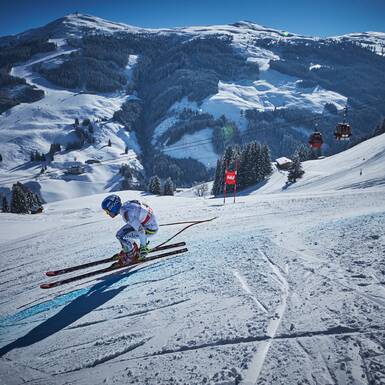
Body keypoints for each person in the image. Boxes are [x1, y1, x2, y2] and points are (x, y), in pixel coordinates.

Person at [101, 195, 158, 266]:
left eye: (107, 211)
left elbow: (141, 231)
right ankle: (132, 250)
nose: (108, 214)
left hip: (149, 229)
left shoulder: (127, 214)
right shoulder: (126, 205)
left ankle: (130, 257)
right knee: (120, 235)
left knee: (122, 237)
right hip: (148, 224)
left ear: (112, 207)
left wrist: (143, 247)